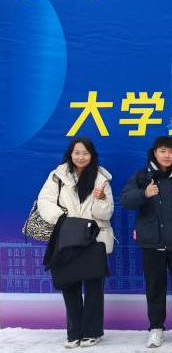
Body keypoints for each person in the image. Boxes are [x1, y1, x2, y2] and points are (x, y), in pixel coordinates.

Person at [120, 136, 172, 348]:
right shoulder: (143, 176)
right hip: (152, 244)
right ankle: (156, 329)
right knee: (154, 289)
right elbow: (126, 200)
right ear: (155, 152)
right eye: (162, 151)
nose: (167, 155)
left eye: (171, 152)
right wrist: (144, 193)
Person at [38, 137, 114, 348]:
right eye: (77, 152)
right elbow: (44, 201)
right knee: (69, 285)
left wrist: (100, 199)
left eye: (85, 153)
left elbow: (106, 214)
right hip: (67, 237)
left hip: (94, 238)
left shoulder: (101, 178)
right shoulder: (58, 176)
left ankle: (92, 332)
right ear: (70, 154)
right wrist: (64, 220)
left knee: (94, 288)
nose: (81, 157)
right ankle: (74, 333)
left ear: (92, 156)